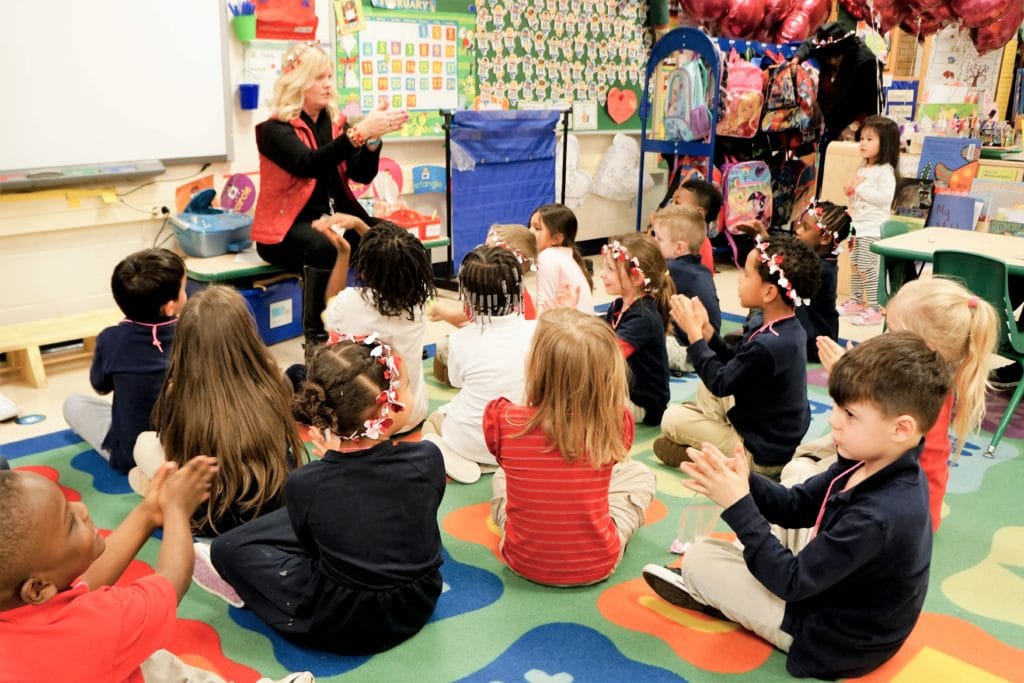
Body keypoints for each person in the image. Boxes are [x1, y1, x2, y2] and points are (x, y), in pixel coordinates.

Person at [642, 332, 953, 680]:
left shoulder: (879, 515)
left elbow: (792, 583)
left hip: (834, 642)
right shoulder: (872, 459)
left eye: (850, 414)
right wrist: (746, 481)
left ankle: (720, 594)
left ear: (901, 429)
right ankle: (739, 581)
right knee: (793, 483)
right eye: (836, 406)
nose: (834, 420)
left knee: (700, 559)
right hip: (833, 593)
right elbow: (796, 505)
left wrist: (738, 504)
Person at [206, 335, 445, 655]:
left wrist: (332, 464)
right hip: (419, 600)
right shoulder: (428, 459)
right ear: (387, 411)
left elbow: (313, 545)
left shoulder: (306, 484)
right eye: (404, 388)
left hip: (345, 623)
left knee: (225, 548)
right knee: (346, 513)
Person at [0, 457, 283, 682]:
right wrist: (176, 510)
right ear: (37, 588)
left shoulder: (21, 601)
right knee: (156, 661)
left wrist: (149, 512)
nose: (82, 508)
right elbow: (172, 581)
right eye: (70, 521)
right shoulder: (100, 623)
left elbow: (84, 584)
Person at [788, 278, 998, 533]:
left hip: (901, 515)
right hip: (914, 499)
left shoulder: (914, 391)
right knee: (807, 462)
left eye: (892, 331)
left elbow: (864, 434)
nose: (884, 337)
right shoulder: (927, 377)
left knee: (799, 472)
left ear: (924, 346)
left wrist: (843, 378)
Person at [251, 41, 408, 349]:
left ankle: (388, 317)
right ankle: (317, 340)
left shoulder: (336, 122)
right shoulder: (273, 130)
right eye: (318, 77)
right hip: (285, 232)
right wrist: (359, 133)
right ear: (298, 82)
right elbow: (308, 163)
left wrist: (373, 140)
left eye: (328, 77)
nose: (327, 85)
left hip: (335, 219)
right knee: (325, 246)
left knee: (392, 237)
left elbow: (361, 174)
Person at [485, 308, 656, 587]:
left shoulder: (503, 420)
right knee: (640, 475)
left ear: (535, 366)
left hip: (520, 560)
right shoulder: (616, 422)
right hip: (598, 563)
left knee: (501, 476)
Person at [133, 286, 307, 536]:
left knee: (144, 443)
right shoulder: (275, 381)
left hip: (207, 517)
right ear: (248, 334)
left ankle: (151, 491)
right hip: (275, 505)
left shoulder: (177, 393)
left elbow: (170, 448)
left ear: (185, 343)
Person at [655, 234, 821, 480]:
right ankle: (711, 434)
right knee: (706, 384)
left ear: (768, 292)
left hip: (760, 453)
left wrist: (693, 335)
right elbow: (736, 361)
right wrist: (708, 333)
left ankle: (720, 459)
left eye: (746, 276)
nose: (739, 282)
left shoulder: (768, 344)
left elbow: (722, 383)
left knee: (671, 419)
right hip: (771, 433)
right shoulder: (786, 326)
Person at [62, 248, 186, 473]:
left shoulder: (111, 339)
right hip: (188, 450)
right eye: (185, 289)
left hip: (130, 455)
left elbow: (101, 386)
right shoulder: (194, 332)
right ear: (170, 306)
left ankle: (148, 470)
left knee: (74, 404)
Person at [422, 246, 537, 484]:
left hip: (471, 439)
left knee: (433, 423)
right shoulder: (538, 331)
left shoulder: (460, 340)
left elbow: (456, 382)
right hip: (522, 441)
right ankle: (493, 464)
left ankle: (461, 460)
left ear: (469, 298)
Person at [321, 221, 435, 430]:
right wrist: (359, 225)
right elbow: (393, 253)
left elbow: (330, 303)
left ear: (364, 269)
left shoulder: (350, 301)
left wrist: (343, 254)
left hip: (363, 427)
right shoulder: (419, 302)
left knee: (296, 373)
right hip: (411, 415)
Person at [738, 199, 852, 362]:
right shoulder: (823, 260)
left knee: (764, 292)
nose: (797, 230)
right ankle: (755, 336)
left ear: (825, 238)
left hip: (813, 341)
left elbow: (777, 269)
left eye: (805, 227)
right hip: (810, 333)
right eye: (799, 223)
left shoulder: (821, 268)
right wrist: (763, 238)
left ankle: (750, 341)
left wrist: (764, 240)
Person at [430, 223, 538, 385]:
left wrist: (442, 310)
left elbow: (473, 326)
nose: (483, 252)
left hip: (494, 359)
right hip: (517, 367)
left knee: (444, 347)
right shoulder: (521, 294)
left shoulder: (485, 294)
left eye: (488, 248)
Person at [600, 234, 673, 426]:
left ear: (636, 277)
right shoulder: (617, 306)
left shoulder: (642, 316)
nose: (602, 274)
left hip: (643, 405)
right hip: (624, 393)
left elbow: (606, 357)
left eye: (610, 269)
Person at [838, 115, 900, 326]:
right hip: (857, 227)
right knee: (855, 265)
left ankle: (874, 307)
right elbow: (858, 197)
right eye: (862, 138)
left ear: (886, 144)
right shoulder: (863, 169)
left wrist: (861, 189)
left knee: (868, 268)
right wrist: (851, 192)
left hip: (872, 228)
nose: (863, 143)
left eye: (869, 139)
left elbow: (885, 199)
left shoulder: (885, 171)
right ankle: (856, 300)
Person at [650, 204, 722, 374]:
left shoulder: (671, 270)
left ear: (680, 248)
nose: (653, 242)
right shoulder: (700, 268)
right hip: (709, 346)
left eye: (659, 239)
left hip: (686, 351)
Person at [529, 203, 594, 313]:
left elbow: (544, 309)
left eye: (537, 228)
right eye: (529, 226)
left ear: (556, 239)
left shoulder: (548, 256)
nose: (529, 232)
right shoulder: (564, 256)